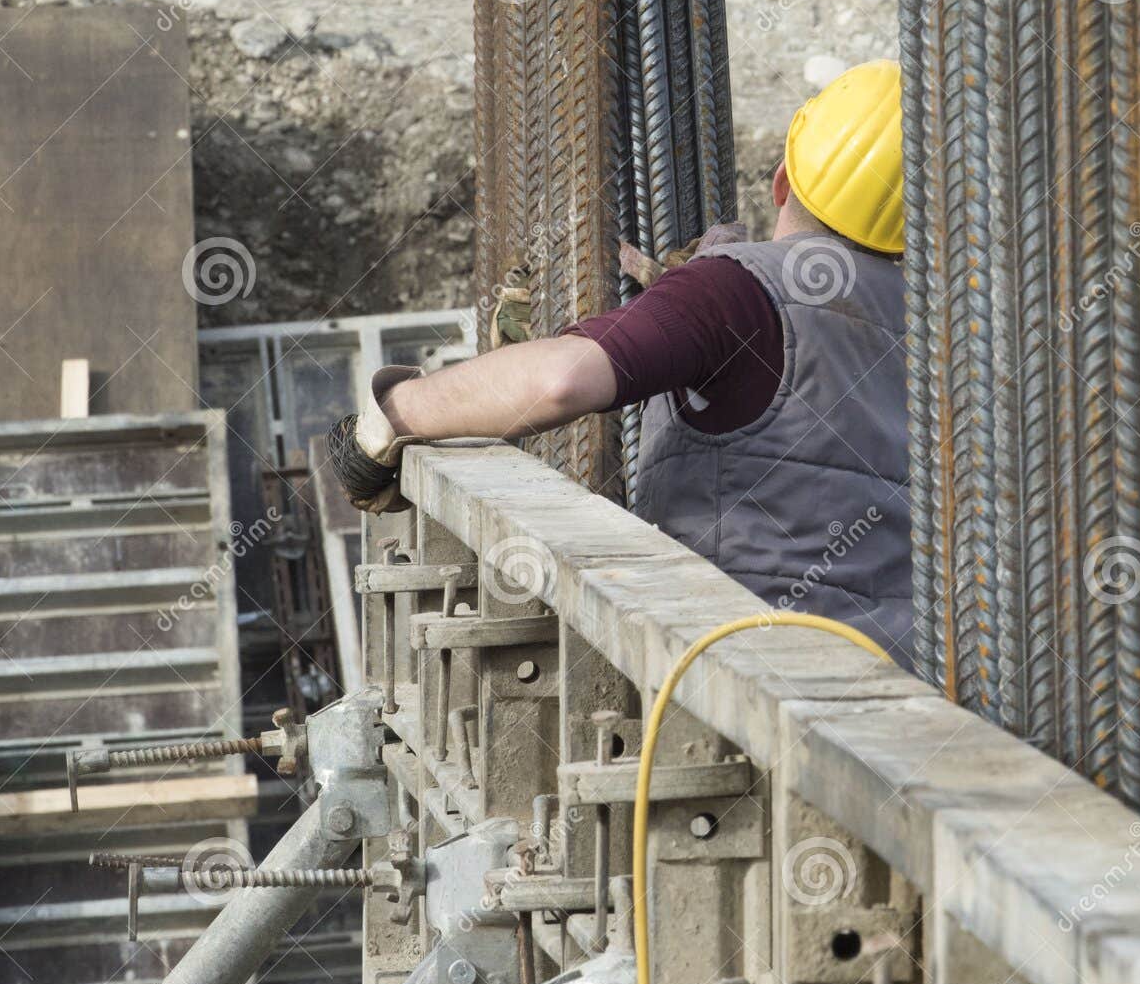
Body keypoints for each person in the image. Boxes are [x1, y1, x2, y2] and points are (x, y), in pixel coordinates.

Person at [329, 60, 913, 667]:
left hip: (748, 674)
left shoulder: (735, 293)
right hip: (903, 688)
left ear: (783, 180)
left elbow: (560, 381)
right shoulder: (939, 333)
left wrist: (394, 414)